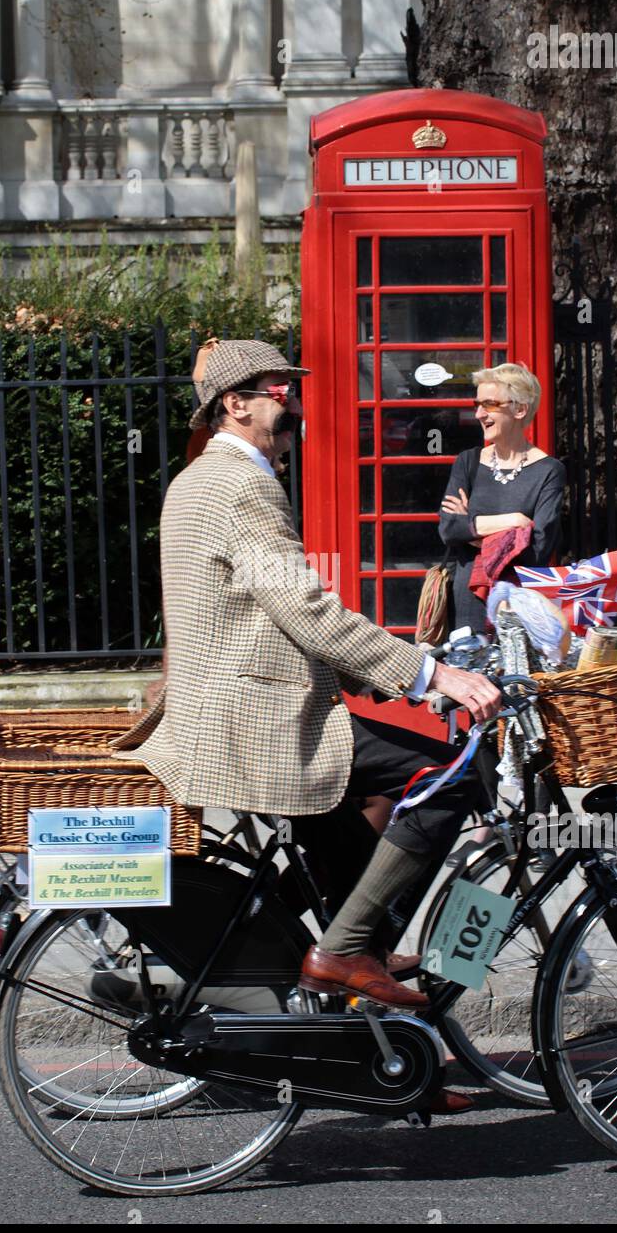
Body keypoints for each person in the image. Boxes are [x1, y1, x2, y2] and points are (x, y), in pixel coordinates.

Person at [131, 339, 501, 1037]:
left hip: (230, 709)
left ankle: (382, 1022)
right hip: (261, 721)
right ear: (234, 404)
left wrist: (394, 670)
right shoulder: (243, 484)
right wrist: (432, 675)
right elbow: (304, 609)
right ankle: (344, 951)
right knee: (453, 774)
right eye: (279, 391)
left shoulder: (196, 479)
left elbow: (268, 616)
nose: (295, 402)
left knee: (369, 831)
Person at [439, 364, 566, 634]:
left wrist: (472, 530)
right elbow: (449, 529)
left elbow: (537, 551)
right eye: (477, 404)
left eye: (489, 404)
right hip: (466, 601)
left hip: (521, 605)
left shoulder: (549, 471)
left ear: (519, 409)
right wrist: (515, 522)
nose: (478, 413)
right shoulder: (468, 462)